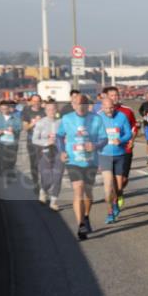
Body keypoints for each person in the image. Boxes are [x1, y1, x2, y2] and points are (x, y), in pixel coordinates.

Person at [57, 94, 107, 240]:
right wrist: (62, 151)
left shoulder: (96, 119)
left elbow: (104, 138)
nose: (80, 106)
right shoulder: (67, 119)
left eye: (83, 104)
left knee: (88, 192)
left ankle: (86, 216)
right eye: (77, 104)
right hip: (73, 160)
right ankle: (81, 225)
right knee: (78, 189)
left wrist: (95, 145)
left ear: (87, 105)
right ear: (72, 105)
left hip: (91, 161)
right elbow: (59, 136)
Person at [98, 96, 134, 223]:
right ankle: (109, 212)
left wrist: (121, 140)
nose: (109, 110)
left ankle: (116, 203)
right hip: (104, 155)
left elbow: (129, 133)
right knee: (108, 187)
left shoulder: (122, 116)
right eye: (106, 108)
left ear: (114, 106)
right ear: (102, 107)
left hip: (119, 155)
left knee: (118, 188)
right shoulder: (98, 118)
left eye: (111, 107)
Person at [104, 86, 138, 210]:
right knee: (111, 179)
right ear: (107, 97)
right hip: (108, 152)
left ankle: (119, 193)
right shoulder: (101, 113)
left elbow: (134, 127)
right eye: (112, 95)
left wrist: (131, 140)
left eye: (116, 95)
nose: (115, 98)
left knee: (123, 179)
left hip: (125, 149)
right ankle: (114, 201)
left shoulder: (127, 111)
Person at [32, 100, 64, 211]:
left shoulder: (62, 122)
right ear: (45, 111)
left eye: (53, 109)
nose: (51, 111)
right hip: (44, 153)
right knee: (47, 179)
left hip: (59, 152)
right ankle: (43, 190)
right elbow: (34, 139)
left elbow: (67, 136)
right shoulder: (41, 123)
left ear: (57, 110)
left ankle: (54, 202)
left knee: (58, 177)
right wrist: (46, 142)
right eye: (49, 109)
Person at [21, 94, 47, 200]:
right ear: (31, 101)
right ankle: (36, 184)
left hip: (44, 141)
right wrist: (33, 123)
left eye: (38, 101)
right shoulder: (26, 112)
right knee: (34, 164)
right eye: (34, 101)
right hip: (32, 141)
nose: (36, 103)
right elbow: (25, 128)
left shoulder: (45, 111)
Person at [0, 100, 22, 184]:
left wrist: (14, 129)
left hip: (12, 141)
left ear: (9, 108)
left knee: (12, 158)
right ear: (0, 109)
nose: (4, 110)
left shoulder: (16, 118)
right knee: (1, 158)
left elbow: (20, 128)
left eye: (5, 108)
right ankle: (6, 173)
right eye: (2, 109)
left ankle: (9, 171)